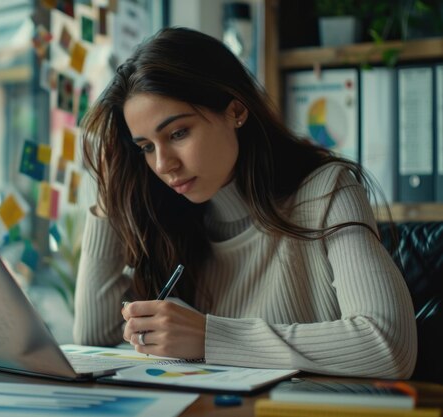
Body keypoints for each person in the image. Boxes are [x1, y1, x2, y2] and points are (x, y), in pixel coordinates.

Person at [73, 27, 417, 379]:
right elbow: (92, 339)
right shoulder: (169, 219)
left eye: (178, 133)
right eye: (146, 147)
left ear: (236, 110)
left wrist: (209, 336)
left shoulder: (327, 191)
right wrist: (111, 190)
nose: (163, 165)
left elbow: (388, 345)